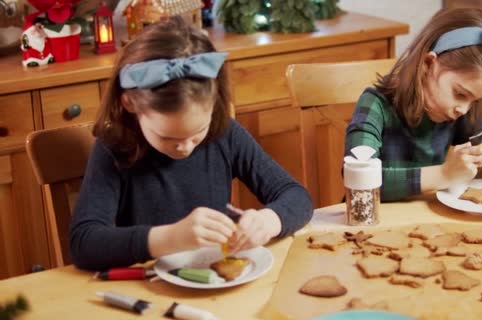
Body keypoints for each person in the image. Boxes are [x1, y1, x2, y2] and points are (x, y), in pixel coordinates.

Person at [70, 17, 313, 270]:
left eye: (197, 132)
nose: (185, 147)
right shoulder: (114, 147)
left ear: (214, 104)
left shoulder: (226, 135)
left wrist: (269, 220)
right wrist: (171, 238)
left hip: (215, 284)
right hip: (144, 291)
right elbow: (84, 243)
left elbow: (297, 197)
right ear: (130, 103)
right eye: (167, 137)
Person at [345, 8, 482, 202]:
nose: (463, 109)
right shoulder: (375, 105)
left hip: (427, 219)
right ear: (429, 64)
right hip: (371, 220)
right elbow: (356, 176)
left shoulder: (457, 113)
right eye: (460, 94)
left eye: (475, 100)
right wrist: (444, 175)